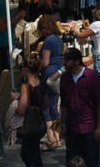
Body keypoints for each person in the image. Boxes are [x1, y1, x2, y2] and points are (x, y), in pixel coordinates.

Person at [58, 48, 100, 167]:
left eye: (67, 60)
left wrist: (99, 127)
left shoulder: (92, 77)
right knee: (72, 162)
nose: (65, 62)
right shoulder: (64, 78)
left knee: (91, 161)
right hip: (72, 127)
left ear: (77, 61)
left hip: (89, 127)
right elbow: (64, 103)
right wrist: (63, 124)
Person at [35, 14, 63, 151]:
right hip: (58, 73)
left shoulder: (48, 41)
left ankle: (51, 138)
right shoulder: (58, 39)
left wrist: (37, 66)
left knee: (46, 107)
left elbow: (45, 62)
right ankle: (57, 138)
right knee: (54, 106)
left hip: (48, 75)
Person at [13, 63, 45, 167]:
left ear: (26, 69)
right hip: (40, 121)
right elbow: (47, 103)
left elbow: (22, 109)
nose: (20, 71)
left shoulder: (26, 86)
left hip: (29, 125)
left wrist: (14, 101)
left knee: (33, 158)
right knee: (27, 154)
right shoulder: (42, 83)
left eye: (21, 68)